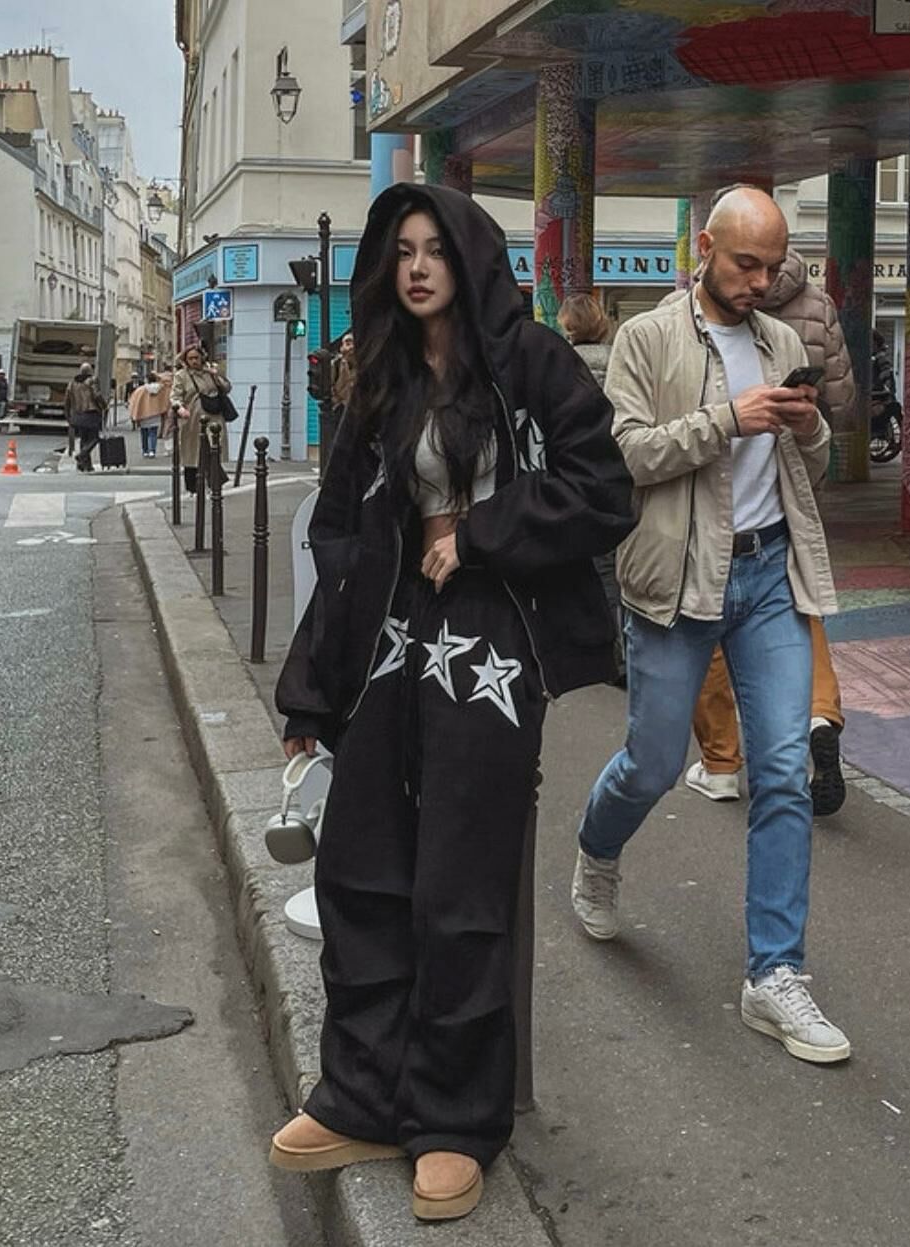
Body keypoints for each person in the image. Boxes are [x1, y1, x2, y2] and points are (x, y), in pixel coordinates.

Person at [269, 184, 633, 1221]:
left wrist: (477, 534)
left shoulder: (531, 363)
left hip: (492, 641)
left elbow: (602, 489)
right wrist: (310, 693)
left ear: (468, 260)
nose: (418, 267)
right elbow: (341, 536)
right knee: (359, 866)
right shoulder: (380, 376)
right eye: (402, 252)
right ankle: (363, 1093)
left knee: (460, 884)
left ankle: (454, 1119)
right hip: (389, 639)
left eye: (434, 249)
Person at [572, 187, 850, 1065]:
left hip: (768, 576)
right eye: (744, 264)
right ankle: (596, 850)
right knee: (652, 762)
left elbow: (812, 464)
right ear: (704, 247)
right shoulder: (646, 337)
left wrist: (807, 427)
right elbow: (622, 455)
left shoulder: (780, 342)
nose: (759, 282)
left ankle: (775, 973)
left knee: (782, 772)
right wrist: (728, 419)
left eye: (771, 267)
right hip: (678, 578)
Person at [685, 242, 852, 816]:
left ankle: (721, 762)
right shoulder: (819, 303)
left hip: (711, 500)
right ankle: (818, 716)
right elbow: (843, 394)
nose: (759, 281)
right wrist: (812, 418)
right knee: (803, 605)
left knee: (708, 633)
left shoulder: (690, 313)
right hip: (792, 483)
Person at [558, 292, 625, 685]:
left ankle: (604, 652)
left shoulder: (564, 364)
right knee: (618, 568)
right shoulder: (620, 358)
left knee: (593, 567)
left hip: (578, 476)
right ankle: (625, 649)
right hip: (621, 473)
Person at [170, 347, 231, 493]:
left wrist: (216, 376)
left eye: (196, 358)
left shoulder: (210, 372)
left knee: (213, 449)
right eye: (190, 358)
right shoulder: (181, 375)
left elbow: (227, 388)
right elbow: (175, 396)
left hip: (213, 416)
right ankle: (193, 487)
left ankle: (214, 483)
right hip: (192, 419)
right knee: (192, 453)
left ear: (202, 357)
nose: (194, 361)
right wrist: (180, 408)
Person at [64, 362, 106, 473]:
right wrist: (104, 405)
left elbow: (67, 399)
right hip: (91, 413)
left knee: (84, 439)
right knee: (94, 438)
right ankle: (82, 455)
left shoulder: (72, 383)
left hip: (78, 414)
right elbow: (97, 395)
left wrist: (68, 415)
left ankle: (85, 465)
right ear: (90, 371)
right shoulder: (92, 380)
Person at [128, 370, 170, 457]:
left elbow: (133, 401)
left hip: (143, 414)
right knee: (153, 433)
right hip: (156, 414)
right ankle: (152, 451)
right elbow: (168, 381)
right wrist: (159, 376)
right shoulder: (161, 389)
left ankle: (145, 451)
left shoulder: (141, 390)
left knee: (144, 433)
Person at [331, 330, 356, 412]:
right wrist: (337, 401)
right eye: (348, 344)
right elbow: (329, 386)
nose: (351, 347)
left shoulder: (363, 364)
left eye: (353, 344)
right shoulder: (336, 364)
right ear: (341, 348)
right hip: (340, 408)